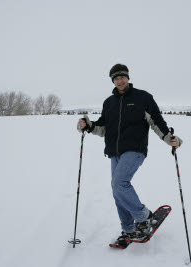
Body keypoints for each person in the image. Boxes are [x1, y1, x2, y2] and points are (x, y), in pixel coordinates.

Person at [77, 63, 183, 247]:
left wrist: (169, 138)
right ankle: (128, 230)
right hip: (114, 151)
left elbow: (157, 121)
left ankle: (144, 218)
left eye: (122, 77)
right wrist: (88, 125)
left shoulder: (143, 97)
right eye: (116, 78)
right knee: (117, 191)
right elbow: (103, 126)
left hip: (135, 149)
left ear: (128, 77)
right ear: (113, 81)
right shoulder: (109, 102)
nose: (120, 80)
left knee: (119, 183)